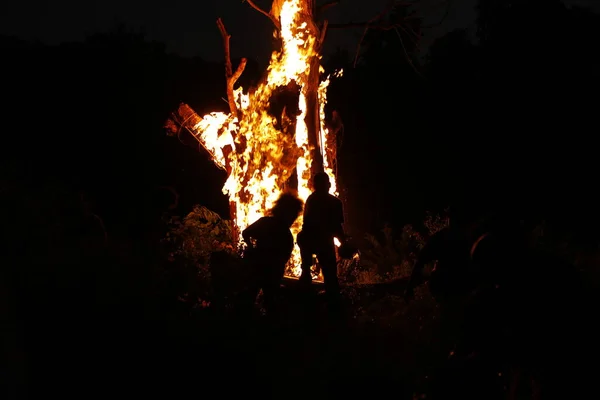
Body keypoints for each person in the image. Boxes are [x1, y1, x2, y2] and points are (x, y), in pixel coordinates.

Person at [237, 191, 304, 316]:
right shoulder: (285, 233)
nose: (294, 218)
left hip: (258, 265)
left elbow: (246, 233)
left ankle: (247, 323)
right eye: (293, 215)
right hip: (271, 269)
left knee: (250, 296)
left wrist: (252, 247)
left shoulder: (265, 222)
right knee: (269, 300)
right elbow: (285, 254)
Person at [297, 172, 346, 302]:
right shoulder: (335, 202)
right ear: (329, 185)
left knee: (306, 271)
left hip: (308, 239)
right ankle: (333, 304)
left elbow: (307, 224)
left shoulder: (311, 200)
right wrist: (344, 243)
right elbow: (337, 227)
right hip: (323, 241)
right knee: (330, 276)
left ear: (314, 186)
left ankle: (305, 301)